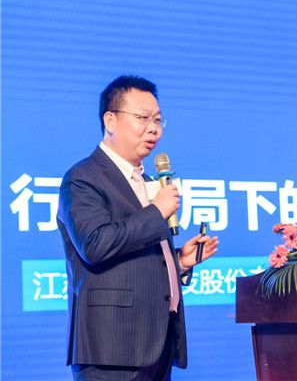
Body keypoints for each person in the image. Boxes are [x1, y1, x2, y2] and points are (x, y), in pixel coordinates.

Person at [57, 75, 219, 380]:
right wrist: (157, 211)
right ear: (111, 120)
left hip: (156, 344)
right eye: (143, 118)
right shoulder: (82, 177)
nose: (154, 128)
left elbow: (137, 257)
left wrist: (180, 262)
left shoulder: (146, 182)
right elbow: (95, 245)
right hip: (111, 349)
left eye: (158, 120)